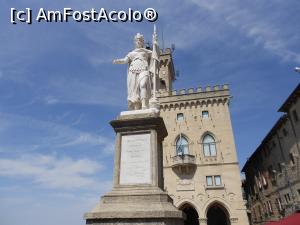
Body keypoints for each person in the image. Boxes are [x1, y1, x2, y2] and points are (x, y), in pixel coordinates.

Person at [113, 33, 152, 110]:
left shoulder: (146, 52)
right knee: (134, 90)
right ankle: (137, 106)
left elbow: (156, 55)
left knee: (143, 84)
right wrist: (118, 61)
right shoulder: (131, 53)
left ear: (142, 42)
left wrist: (156, 45)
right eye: (137, 40)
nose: (138, 41)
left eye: (140, 40)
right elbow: (125, 60)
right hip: (133, 71)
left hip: (144, 69)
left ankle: (144, 104)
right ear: (135, 42)